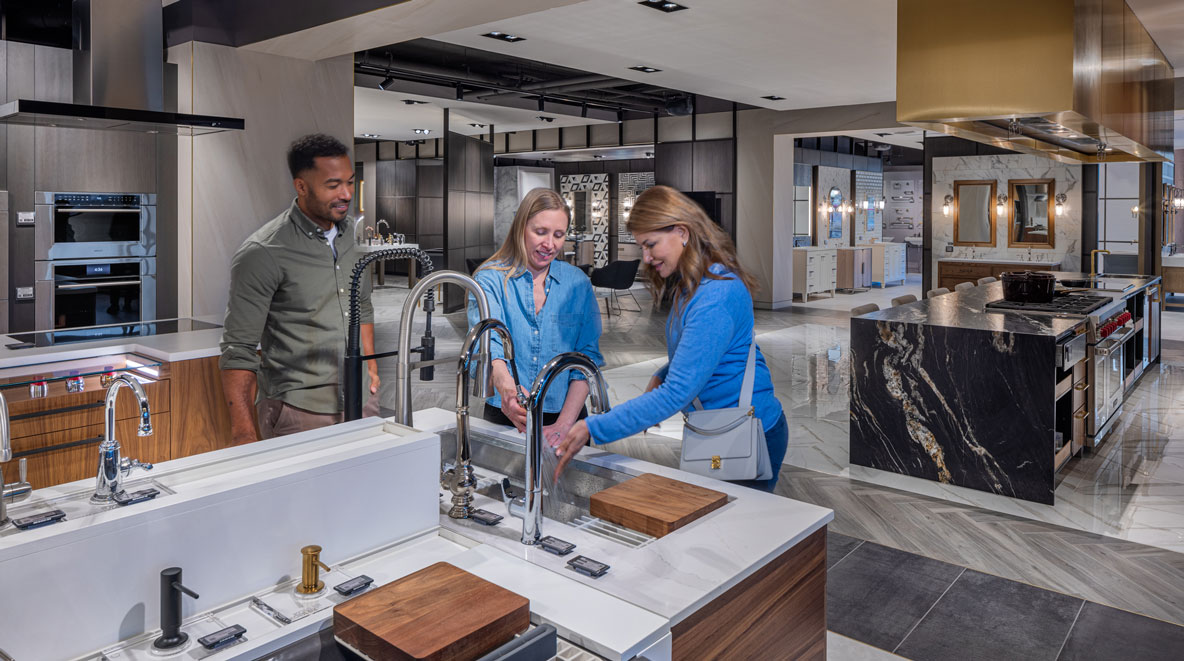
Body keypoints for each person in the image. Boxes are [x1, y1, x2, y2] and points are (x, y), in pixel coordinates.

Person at [553, 185, 787, 492]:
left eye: (651, 245)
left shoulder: (716, 293)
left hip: (747, 432)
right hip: (717, 428)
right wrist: (663, 373)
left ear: (682, 232)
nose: (647, 258)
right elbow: (704, 351)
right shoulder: (693, 284)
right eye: (642, 248)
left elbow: (677, 393)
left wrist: (592, 426)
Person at [220, 134, 380, 444]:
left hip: (361, 402)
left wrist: (371, 368)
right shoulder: (262, 252)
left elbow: (363, 306)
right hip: (299, 412)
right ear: (301, 186)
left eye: (350, 182)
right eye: (333, 185)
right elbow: (238, 350)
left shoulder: (352, 240)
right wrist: (243, 435)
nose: (347, 193)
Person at [468, 188, 603, 445]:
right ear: (521, 228)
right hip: (506, 415)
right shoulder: (490, 279)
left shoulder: (577, 283)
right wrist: (507, 389)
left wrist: (564, 425)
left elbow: (587, 358)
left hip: (567, 416)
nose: (550, 244)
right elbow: (489, 348)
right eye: (540, 232)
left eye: (558, 235)